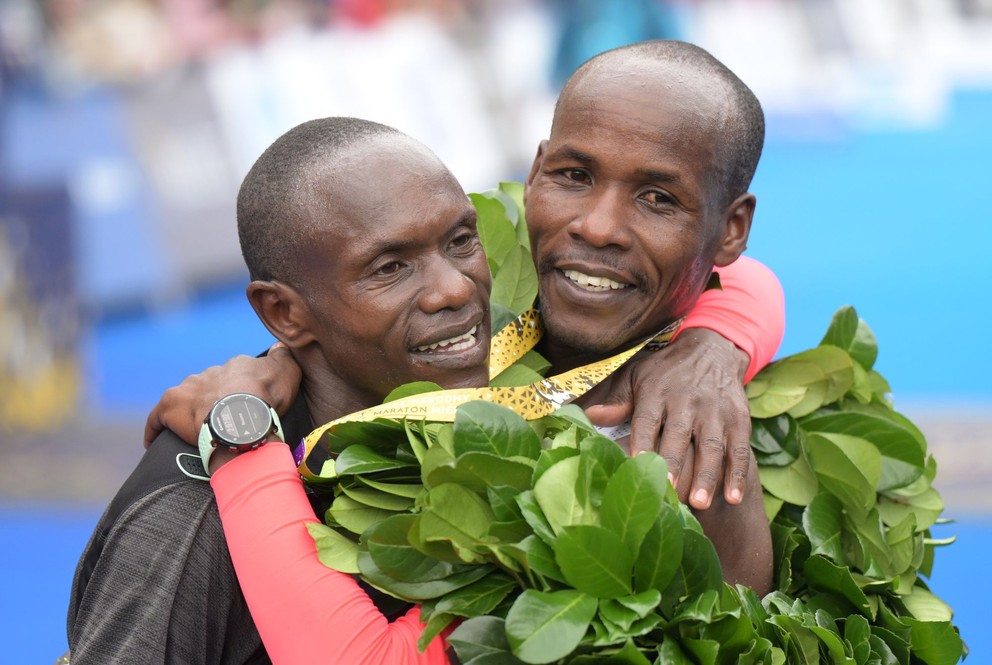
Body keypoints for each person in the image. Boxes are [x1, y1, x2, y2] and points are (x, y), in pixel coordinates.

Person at [130, 40, 777, 663]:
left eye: (658, 198)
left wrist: (240, 439)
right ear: (535, 173)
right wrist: (719, 333)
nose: (598, 225)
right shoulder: (504, 297)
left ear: (731, 229)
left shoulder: (682, 454)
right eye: (574, 176)